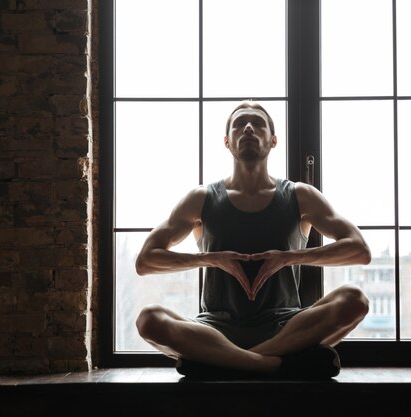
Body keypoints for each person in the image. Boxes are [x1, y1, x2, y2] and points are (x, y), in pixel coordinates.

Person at [134, 101, 371, 379]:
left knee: (355, 300)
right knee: (149, 319)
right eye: (239, 124)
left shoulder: (299, 195)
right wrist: (207, 259)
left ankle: (226, 362)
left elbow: (360, 250)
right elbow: (145, 261)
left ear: (273, 140)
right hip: (215, 329)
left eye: (258, 123)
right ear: (227, 141)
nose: (248, 127)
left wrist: (291, 257)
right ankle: (273, 365)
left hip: (286, 326)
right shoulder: (201, 199)